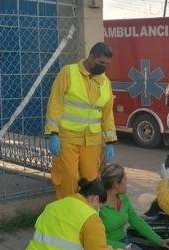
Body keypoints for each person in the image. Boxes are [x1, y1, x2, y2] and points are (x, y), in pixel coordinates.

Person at [45, 42, 118, 199]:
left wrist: (110, 141)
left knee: (91, 181)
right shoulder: (68, 73)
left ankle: (88, 215)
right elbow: (55, 103)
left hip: (92, 141)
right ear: (91, 57)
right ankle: (67, 215)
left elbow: (107, 114)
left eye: (107, 64)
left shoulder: (105, 82)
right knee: (68, 178)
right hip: (68, 137)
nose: (104, 67)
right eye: (101, 62)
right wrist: (52, 133)